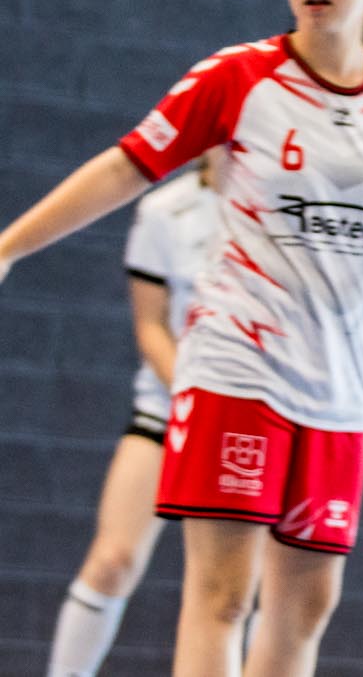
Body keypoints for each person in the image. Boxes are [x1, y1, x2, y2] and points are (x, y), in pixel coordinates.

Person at [0, 0, 363, 677]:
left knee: (306, 605)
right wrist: (11, 243)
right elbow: (124, 166)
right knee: (223, 595)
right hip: (237, 370)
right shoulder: (239, 75)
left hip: (339, 389)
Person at [46, 147, 229, 677]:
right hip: (169, 412)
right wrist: (194, 400)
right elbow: (150, 325)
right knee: (113, 560)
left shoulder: (280, 216)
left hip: (249, 429)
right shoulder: (164, 211)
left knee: (233, 592)